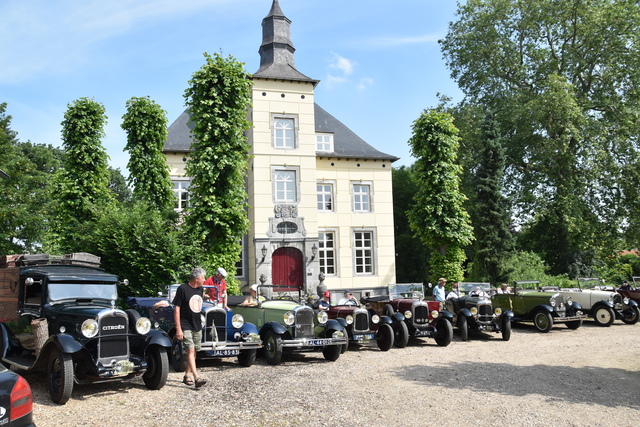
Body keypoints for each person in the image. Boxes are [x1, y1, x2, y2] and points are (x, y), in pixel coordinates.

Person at [173, 267, 207, 388]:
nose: (204, 280)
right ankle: (196, 377)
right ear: (197, 278)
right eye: (203, 277)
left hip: (197, 324)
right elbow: (177, 309)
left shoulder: (200, 289)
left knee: (195, 350)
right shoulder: (182, 289)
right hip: (185, 324)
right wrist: (178, 328)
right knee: (190, 350)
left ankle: (187, 375)